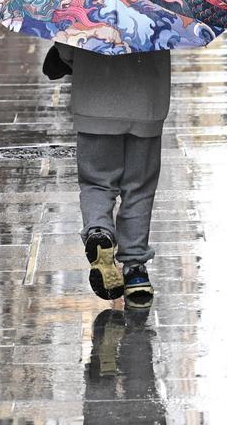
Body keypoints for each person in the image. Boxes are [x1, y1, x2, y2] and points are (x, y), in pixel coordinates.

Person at [44, 43, 170, 310]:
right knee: (140, 186)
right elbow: (171, 37)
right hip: (146, 102)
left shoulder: (80, 0)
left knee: (96, 182)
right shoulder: (162, 1)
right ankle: (135, 270)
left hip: (94, 102)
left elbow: (67, 49)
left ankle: (99, 231)